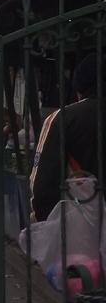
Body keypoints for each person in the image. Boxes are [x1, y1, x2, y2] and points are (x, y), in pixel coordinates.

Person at [31, 53, 104, 221]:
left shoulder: (63, 118)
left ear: (79, 87)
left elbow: (43, 185)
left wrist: (46, 219)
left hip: (83, 226)